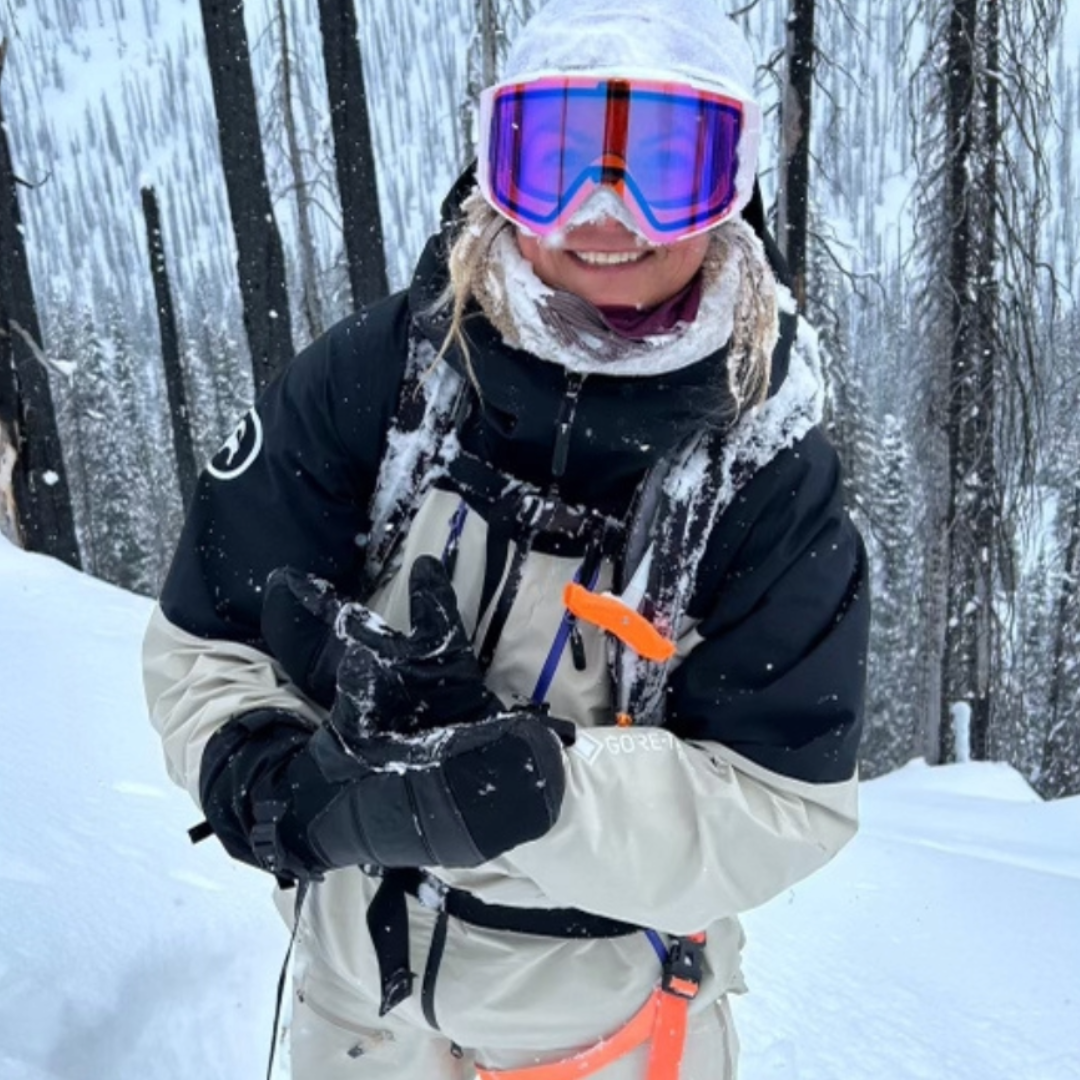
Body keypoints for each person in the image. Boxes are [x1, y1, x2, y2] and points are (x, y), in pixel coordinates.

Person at [143, 1, 869, 1077]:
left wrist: (538, 793)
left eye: (666, 167)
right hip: (356, 1008)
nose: (604, 214)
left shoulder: (762, 472)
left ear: (735, 185)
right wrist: (252, 763)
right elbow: (209, 639)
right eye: (556, 162)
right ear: (496, 169)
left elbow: (781, 804)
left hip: (604, 1024)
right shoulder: (385, 381)